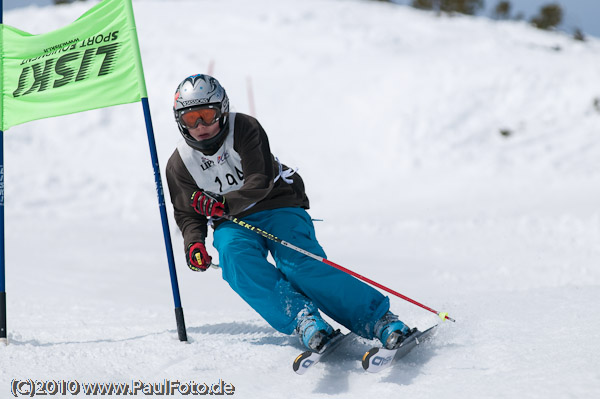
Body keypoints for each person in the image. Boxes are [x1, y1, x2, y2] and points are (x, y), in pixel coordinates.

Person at [165, 74, 414, 352]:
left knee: (298, 264)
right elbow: (187, 212)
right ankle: (303, 319)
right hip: (233, 223)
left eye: (207, 115)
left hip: (276, 204)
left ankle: (379, 319)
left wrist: (222, 201)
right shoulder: (179, 163)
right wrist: (194, 242)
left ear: (222, 110)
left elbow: (259, 180)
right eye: (191, 119)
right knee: (235, 261)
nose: (201, 126)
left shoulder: (245, 127)